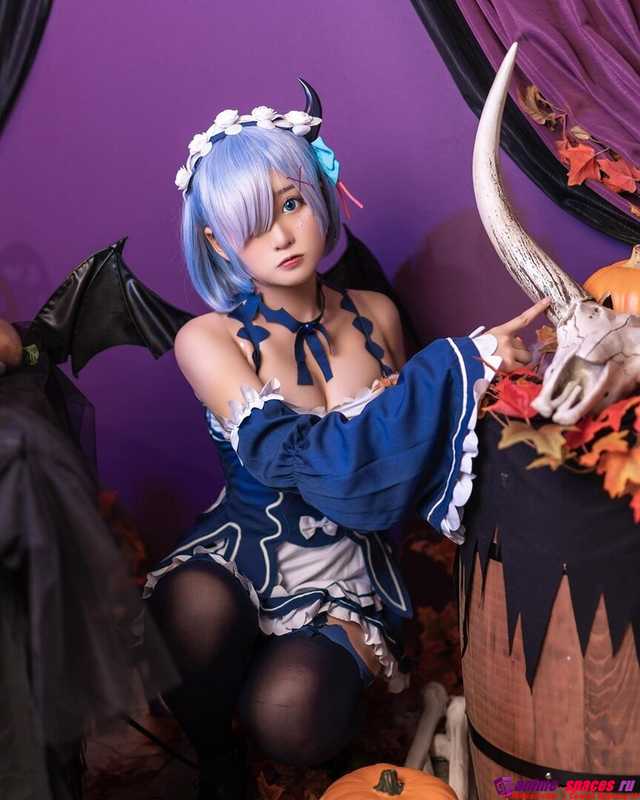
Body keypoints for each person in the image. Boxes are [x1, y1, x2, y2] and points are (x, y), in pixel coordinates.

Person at [144, 88, 549, 799]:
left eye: (290, 204)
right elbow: (295, 458)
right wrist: (457, 364)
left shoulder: (379, 315)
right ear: (214, 240)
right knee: (193, 607)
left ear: (320, 195)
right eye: (250, 223)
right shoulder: (205, 339)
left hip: (349, 570)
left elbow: (403, 466)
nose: (281, 235)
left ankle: (296, 704)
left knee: (288, 713)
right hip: (240, 552)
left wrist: (494, 383)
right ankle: (216, 758)